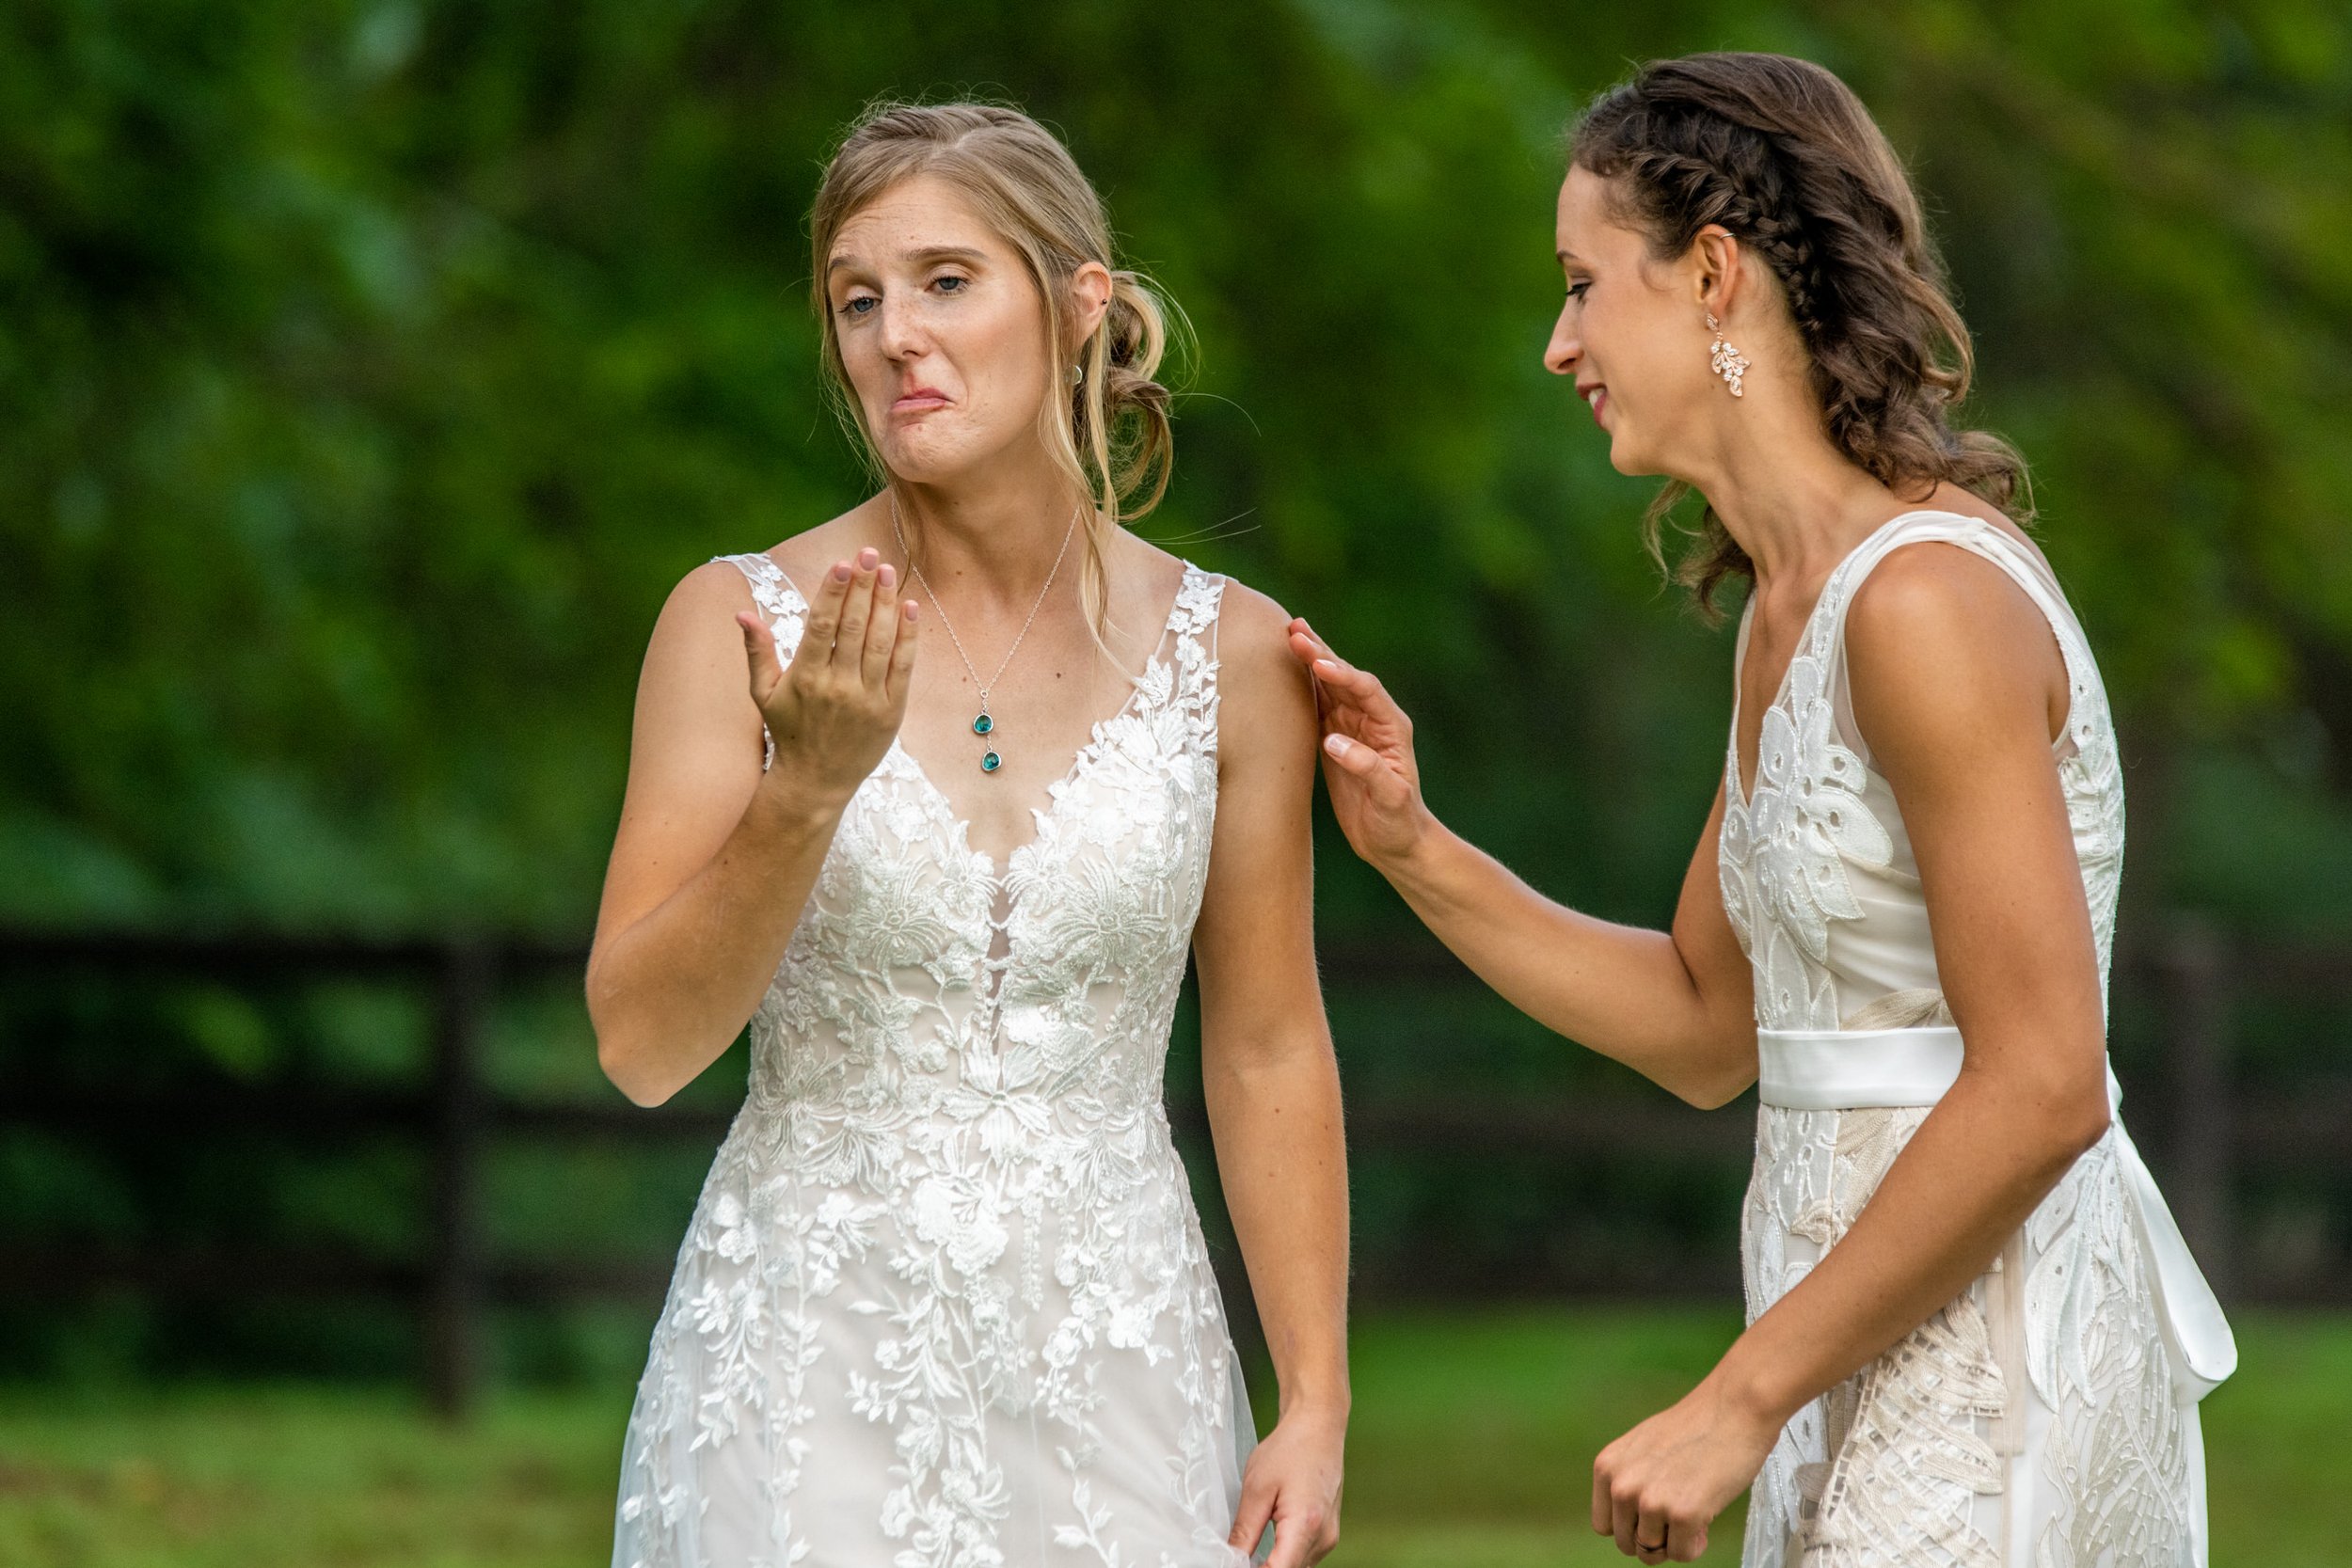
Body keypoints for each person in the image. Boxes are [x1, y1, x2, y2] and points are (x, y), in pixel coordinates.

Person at [1289, 52, 2233, 1566]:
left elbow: (2047, 1078)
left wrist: (1737, 1397)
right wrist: (1414, 847)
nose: (1558, 343)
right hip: (1831, 1336)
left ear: (1714, 274)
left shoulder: (1921, 604)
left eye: (1583, 285)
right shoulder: (1789, 609)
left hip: (1996, 1351)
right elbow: (1705, 1024)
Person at [587, 102, 1346, 1568]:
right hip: (802, 1369)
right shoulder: (737, 624)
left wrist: (1315, 1399)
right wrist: (803, 792)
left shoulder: (1236, 657)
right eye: (857, 301)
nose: (897, 337)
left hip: (1121, 1367)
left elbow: (1265, 1044)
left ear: (1077, 308)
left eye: (947, 281)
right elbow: (640, 1045)